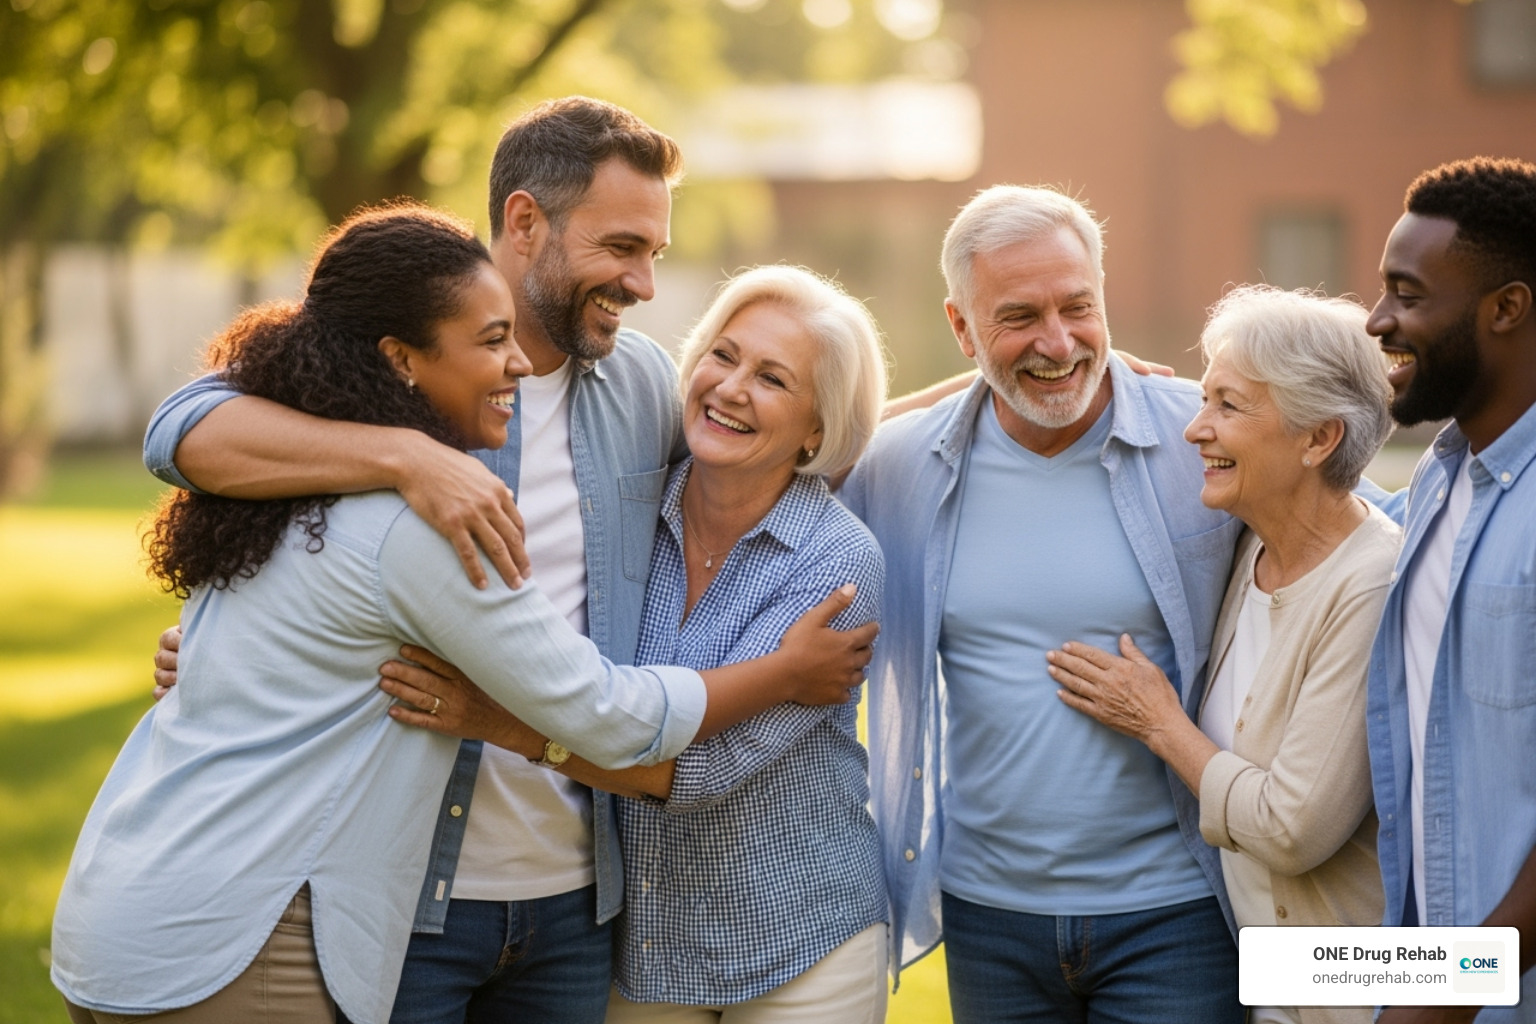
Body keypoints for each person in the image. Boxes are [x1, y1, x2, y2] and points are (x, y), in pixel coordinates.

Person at [138, 98, 868, 1024]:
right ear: (525, 222)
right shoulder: (400, 370)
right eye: (621, 247)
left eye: (654, 252)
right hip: (399, 892)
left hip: (577, 906)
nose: (644, 283)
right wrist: (409, 456)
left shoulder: (643, 384)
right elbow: (183, 432)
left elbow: (774, 431)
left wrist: (993, 392)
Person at [376, 264, 891, 1023]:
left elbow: (697, 770)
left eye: (773, 379)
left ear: (818, 428)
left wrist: (495, 722)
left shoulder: (837, 562)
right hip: (645, 937)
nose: (731, 388)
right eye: (722, 356)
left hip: (795, 935)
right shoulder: (631, 506)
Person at [839, 184, 1246, 1023]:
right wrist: (967, 387)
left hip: (1176, 911)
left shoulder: (1200, 437)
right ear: (962, 328)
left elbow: (1354, 531)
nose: (1058, 343)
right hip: (990, 918)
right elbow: (782, 462)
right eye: (1018, 317)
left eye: (1078, 308)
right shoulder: (901, 464)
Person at [1047, 284, 1400, 1024]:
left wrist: (1159, 724)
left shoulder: (1369, 581)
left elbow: (1290, 829)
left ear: (1318, 439)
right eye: (1204, 399)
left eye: (1228, 406)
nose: (1194, 429)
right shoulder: (1253, 548)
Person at [1363, 156, 1536, 1024]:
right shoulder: (1440, 477)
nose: (1376, 319)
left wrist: (1448, 995)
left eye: (1408, 294)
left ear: (1506, 308)